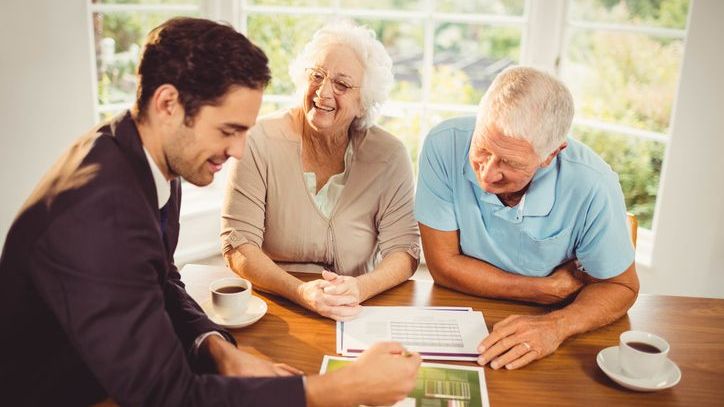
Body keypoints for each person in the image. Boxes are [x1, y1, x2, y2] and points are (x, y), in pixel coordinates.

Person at [0, 17, 419, 406]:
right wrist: (339, 388)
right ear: (168, 105)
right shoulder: (100, 215)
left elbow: (160, 276)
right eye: (228, 131)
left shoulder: (145, 152)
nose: (238, 150)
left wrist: (215, 347)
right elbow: (170, 395)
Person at [415, 66, 640, 371]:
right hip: (463, 310)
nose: (488, 173)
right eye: (482, 148)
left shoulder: (593, 184)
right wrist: (542, 288)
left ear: (552, 154)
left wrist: (556, 326)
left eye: (509, 162)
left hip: (551, 327)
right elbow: (443, 265)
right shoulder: (443, 144)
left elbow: (621, 286)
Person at [221, 23, 420, 321]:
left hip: (354, 311)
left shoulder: (389, 156)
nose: (323, 92)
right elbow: (237, 244)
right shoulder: (259, 141)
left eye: (341, 84)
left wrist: (359, 288)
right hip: (276, 305)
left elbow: (404, 250)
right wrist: (300, 292)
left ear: (363, 101)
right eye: (317, 76)